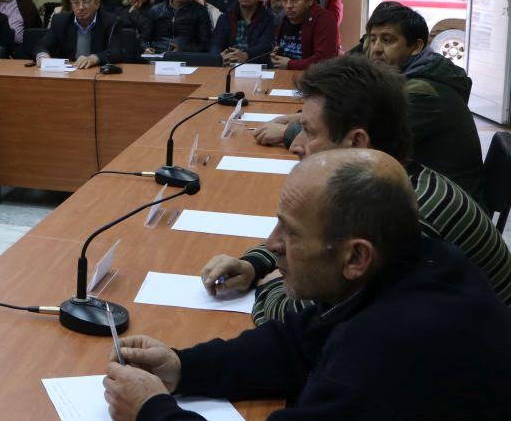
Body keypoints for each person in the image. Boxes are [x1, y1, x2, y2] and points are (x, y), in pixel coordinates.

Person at [105, 148, 511, 421]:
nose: (272, 244)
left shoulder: (387, 352)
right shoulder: (412, 259)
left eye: (292, 232)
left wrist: (150, 410)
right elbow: (298, 343)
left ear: (356, 257)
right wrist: (183, 367)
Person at [205, 55, 511, 326]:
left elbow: (307, 323)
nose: (296, 145)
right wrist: (254, 264)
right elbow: (308, 241)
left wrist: (269, 286)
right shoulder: (380, 188)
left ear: (357, 142)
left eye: (308, 132)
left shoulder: (404, 218)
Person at [366, 3, 483, 196]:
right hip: (427, 189)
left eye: (387, 40)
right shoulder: (412, 76)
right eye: (372, 39)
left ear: (416, 46)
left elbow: (366, 143)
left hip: (448, 202)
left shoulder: (422, 93)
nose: (376, 49)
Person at [35, 0, 138, 68]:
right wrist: (42, 56)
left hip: (96, 73)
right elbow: (42, 45)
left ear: (97, 4)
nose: (80, 7)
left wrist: (93, 58)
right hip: (68, 73)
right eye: (76, 2)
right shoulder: (60, 21)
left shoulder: (112, 22)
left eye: (86, 2)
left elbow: (116, 52)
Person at [270, 0, 340, 70]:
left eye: (294, 0)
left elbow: (324, 60)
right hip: (285, 75)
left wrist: (290, 64)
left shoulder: (325, 19)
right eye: (285, 0)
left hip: (314, 77)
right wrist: (276, 55)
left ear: (310, 0)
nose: (288, 6)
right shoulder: (282, 19)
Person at [209, 0, 275, 64]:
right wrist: (219, 58)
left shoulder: (268, 18)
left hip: (255, 64)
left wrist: (246, 55)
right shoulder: (225, 17)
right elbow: (215, 44)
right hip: (228, 63)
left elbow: (266, 46)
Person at [141, 0, 212, 53]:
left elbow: (205, 44)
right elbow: (143, 39)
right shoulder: (156, 10)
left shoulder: (200, 12)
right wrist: (146, 48)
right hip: (157, 55)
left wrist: (183, 50)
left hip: (187, 57)